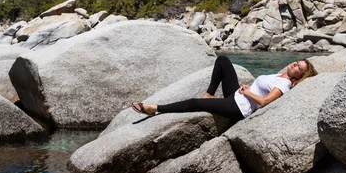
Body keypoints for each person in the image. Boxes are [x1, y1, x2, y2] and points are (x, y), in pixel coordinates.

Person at [132, 55, 318, 120]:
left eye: (298, 68)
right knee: (223, 60)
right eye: (296, 63)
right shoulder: (279, 75)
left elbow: (264, 101)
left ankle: (154, 109)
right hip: (237, 96)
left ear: (298, 76)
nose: (294, 65)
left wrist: (248, 92)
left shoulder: (284, 84)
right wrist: (247, 88)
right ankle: (209, 94)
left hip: (238, 108)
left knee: (196, 104)